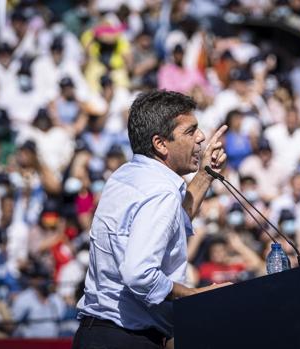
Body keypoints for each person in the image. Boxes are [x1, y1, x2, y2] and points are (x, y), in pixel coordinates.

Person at [72, 90, 230, 349]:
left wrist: (206, 175)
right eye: (190, 132)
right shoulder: (160, 192)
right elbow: (139, 274)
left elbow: (172, 223)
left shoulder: (126, 175)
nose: (201, 137)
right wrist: (195, 295)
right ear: (160, 144)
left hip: (97, 335)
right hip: (126, 339)